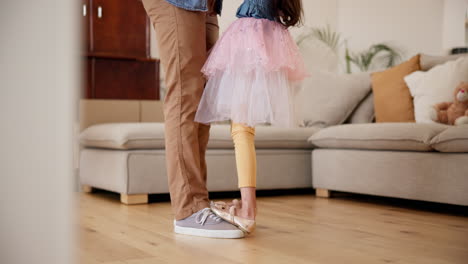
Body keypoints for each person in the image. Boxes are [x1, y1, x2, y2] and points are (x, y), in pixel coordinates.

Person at [194, 0, 308, 234]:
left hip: (249, 39)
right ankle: (248, 205)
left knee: (242, 129)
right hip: (264, 37)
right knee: (243, 129)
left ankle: (249, 209)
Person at [142, 0, 247, 239]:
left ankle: (199, 203)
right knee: (185, 93)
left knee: (203, 99)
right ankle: (189, 209)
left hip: (207, 4)